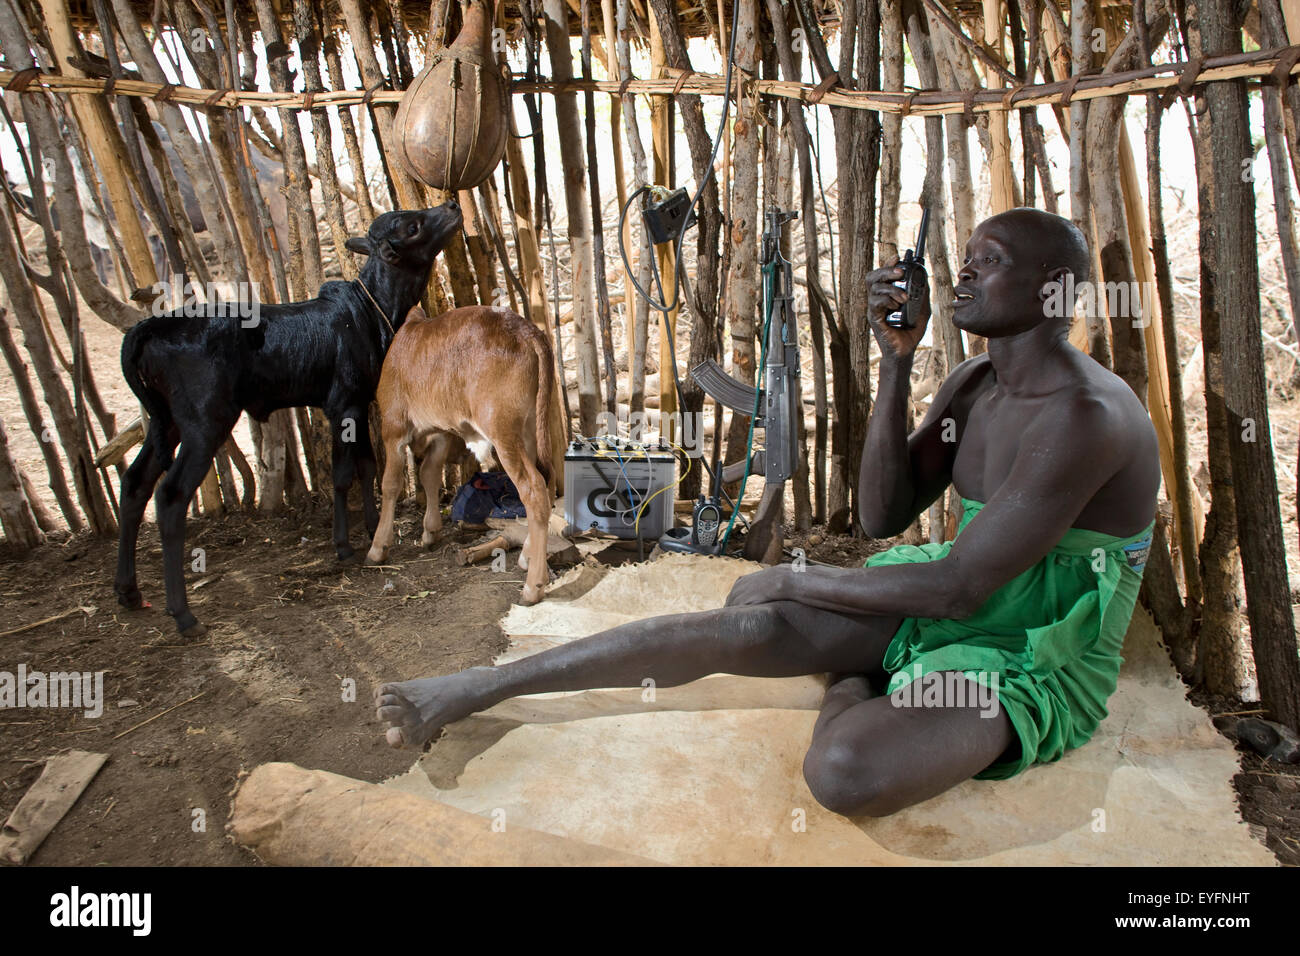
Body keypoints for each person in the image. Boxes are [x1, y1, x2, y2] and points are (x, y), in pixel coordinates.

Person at [374, 208, 1161, 817]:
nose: (961, 273)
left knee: (842, 771)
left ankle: (860, 672)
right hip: (955, 594)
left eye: (989, 264)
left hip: (1038, 645)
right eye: (966, 257)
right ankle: (480, 686)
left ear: (1053, 287)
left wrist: (805, 579)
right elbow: (884, 516)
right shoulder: (974, 387)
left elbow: (957, 588)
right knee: (749, 617)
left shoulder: (1084, 415)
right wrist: (894, 366)